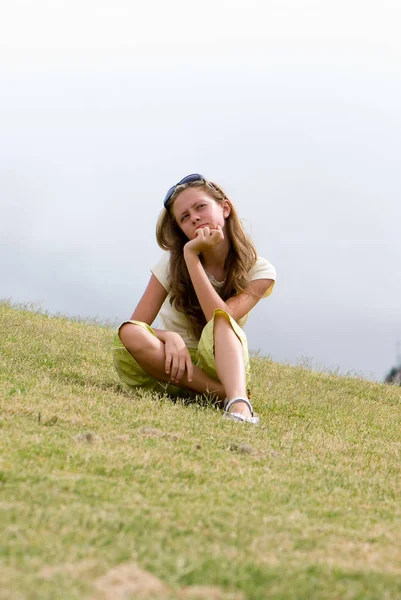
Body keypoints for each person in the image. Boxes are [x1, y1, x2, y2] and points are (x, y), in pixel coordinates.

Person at [113, 174, 276, 423]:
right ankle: (222, 394)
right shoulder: (170, 264)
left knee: (222, 319)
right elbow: (136, 325)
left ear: (225, 208)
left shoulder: (260, 271)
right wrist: (170, 337)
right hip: (170, 365)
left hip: (221, 366)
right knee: (130, 333)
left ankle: (239, 406)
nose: (195, 218)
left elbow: (217, 317)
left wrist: (192, 257)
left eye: (200, 207)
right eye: (185, 217)